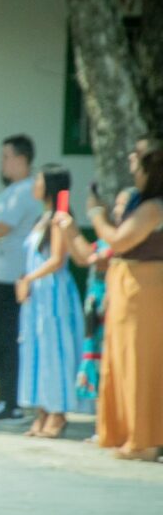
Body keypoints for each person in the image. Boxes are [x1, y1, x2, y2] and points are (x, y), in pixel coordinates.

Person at [57, 141, 163, 461]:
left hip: (143, 290)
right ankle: (127, 433)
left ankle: (143, 440)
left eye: (137, 159)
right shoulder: (143, 203)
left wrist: (96, 214)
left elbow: (119, 240)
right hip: (128, 289)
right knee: (121, 363)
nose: (131, 163)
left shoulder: (154, 207)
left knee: (139, 365)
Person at [0, 134, 44, 420]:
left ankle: (10, 402)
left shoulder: (24, 191)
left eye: (6, 156)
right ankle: (4, 399)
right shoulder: (15, 190)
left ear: (20, 159)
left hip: (9, 279)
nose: (2, 163)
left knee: (6, 340)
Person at [15, 165, 83, 438]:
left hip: (53, 293)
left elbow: (57, 259)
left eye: (39, 180)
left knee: (56, 350)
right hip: (36, 296)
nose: (34, 185)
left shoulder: (60, 218)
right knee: (37, 350)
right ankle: (42, 408)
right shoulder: (42, 218)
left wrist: (28, 279)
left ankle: (58, 412)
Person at [59, 188, 136, 409]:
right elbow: (82, 257)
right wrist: (69, 229)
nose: (117, 210)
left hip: (113, 307)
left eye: (123, 205)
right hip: (97, 308)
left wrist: (91, 217)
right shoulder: (108, 238)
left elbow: (95, 260)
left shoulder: (122, 239)